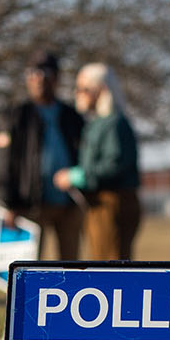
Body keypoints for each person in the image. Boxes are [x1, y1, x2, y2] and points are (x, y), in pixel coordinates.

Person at [0, 50, 84, 259]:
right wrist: (7, 202)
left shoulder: (72, 116)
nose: (39, 79)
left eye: (46, 73)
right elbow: (3, 162)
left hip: (69, 203)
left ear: (57, 78)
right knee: (30, 267)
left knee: (71, 267)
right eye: (33, 73)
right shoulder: (17, 115)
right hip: (31, 203)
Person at [54, 63, 142, 261]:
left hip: (112, 203)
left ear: (101, 89)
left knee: (111, 266)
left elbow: (114, 165)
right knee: (100, 261)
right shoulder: (97, 123)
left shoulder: (114, 123)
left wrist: (78, 176)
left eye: (84, 89)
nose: (78, 94)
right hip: (98, 204)